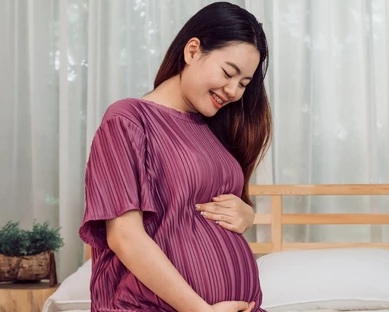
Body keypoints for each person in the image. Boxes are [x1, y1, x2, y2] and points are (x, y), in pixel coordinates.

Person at [79, 2, 271, 311]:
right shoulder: (127, 120)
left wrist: (247, 214)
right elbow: (124, 237)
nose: (234, 91)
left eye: (243, 84)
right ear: (193, 50)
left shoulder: (212, 129)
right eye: (228, 73)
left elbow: (194, 210)